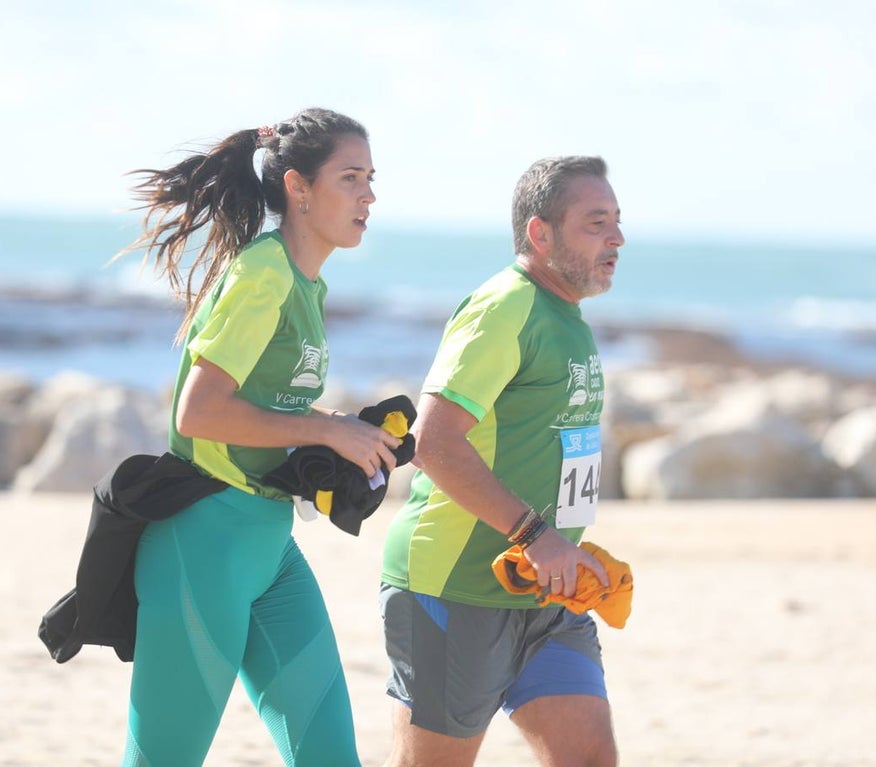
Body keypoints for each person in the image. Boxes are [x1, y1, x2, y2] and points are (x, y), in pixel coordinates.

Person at [117, 108, 400, 767]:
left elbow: (263, 405)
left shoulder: (303, 281)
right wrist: (328, 428)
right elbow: (198, 412)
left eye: (371, 178)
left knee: (330, 756)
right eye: (351, 178)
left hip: (269, 548)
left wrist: (342, 443)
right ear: (299, 188)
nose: (369, 196)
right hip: (203, 545)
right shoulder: (264, 273)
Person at [379, 156, 625, 766]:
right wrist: (535, 533)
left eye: (617, 221)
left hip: (547, 591)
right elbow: (433, 443)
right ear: (541, 234)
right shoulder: (504, 307)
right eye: (596, 223)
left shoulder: (567, 318)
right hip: (457, 585)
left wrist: (562, 542)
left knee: (590, 757)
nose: (617, 238)